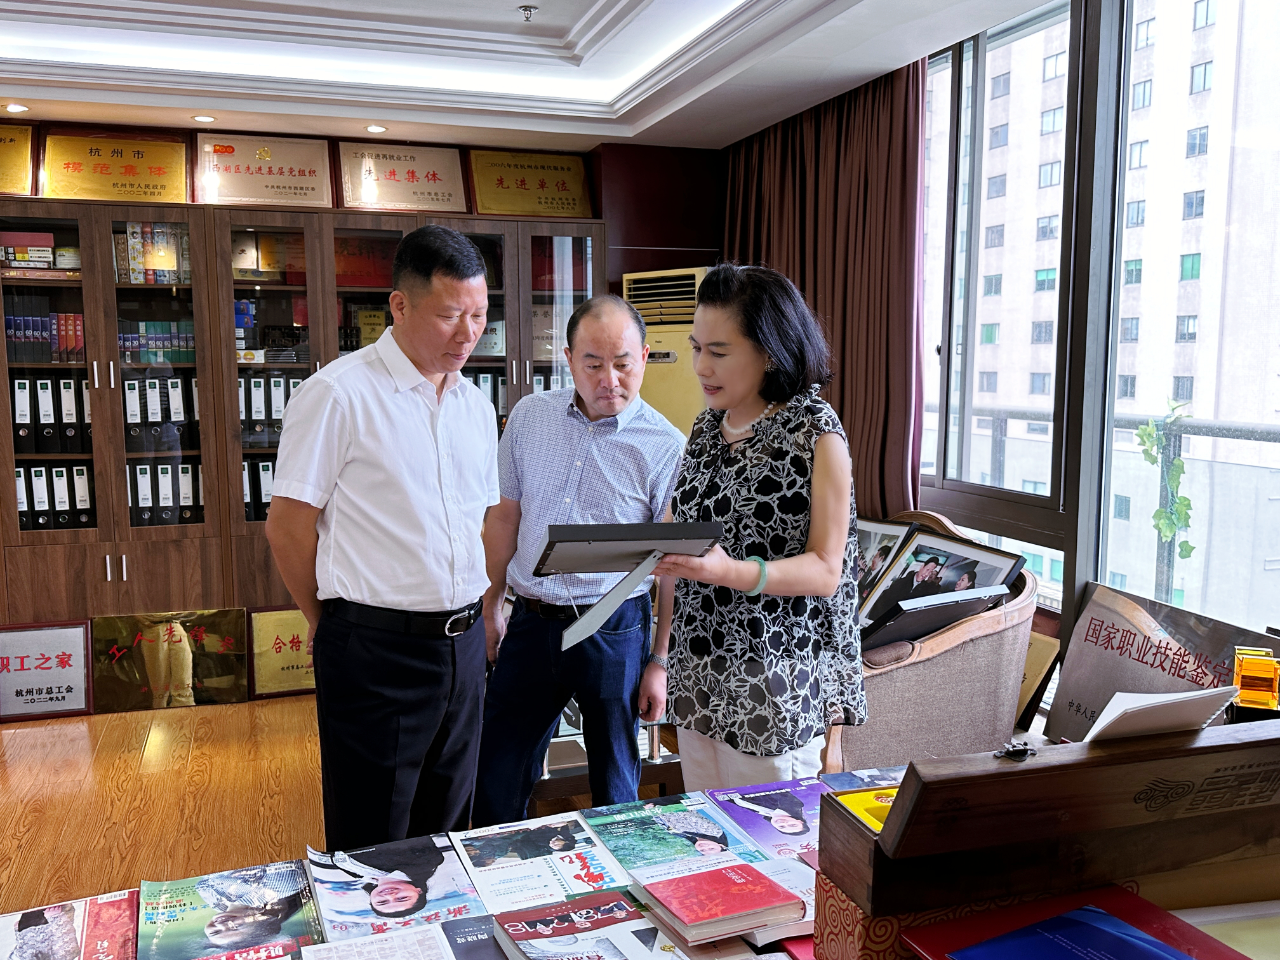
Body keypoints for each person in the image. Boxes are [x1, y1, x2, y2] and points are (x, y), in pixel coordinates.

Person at [266, 224, 497, 849]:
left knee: (447, 834)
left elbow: (476, 522)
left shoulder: (476, 406)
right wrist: (331, 622)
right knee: (372, 839)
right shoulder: (339, 394)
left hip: (463, 646)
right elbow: (287, 526)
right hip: (375, 650)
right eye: (449, 315)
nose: (468, 333)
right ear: (399, 305)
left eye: (479, 315)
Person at [473, 295, 685, 825]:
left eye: (623, 364)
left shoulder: (666, 446)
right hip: (531, 621)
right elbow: (504, 519)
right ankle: (502, 867)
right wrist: (490, 605)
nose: (609, 379)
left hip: (613, 627)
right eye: (593, 364)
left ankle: (616, 876)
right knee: (497, 770)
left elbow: (672, 568)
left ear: (644, 357)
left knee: (615, 782)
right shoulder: (530, 416)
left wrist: (659, 661)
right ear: (568, 359)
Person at [653, 263, 866, 792]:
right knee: (709, 828)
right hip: (700, 670)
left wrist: (730, 571)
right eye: (696, 348)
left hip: (772, 681)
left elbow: (826, 571)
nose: (701, 366)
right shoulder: (707, 427)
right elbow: (682, 521)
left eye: (719, 352)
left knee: (769, 830)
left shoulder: (815, 433)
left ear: (769, 352)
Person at [197, 863, 309, 951]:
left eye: (214, 932)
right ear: (261, 919)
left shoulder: (213, 902)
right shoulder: (282, 885)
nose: (222, 925)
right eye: (236, 927)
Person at [866, 555, 943, 621]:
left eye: (930, 572)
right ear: (922, 566)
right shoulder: (901, 582)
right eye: (927, 569)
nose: (927, 574)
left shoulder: (925, 590)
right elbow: (883, 602)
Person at [728, 790, 810, 836]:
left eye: (781, 827)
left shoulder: (764, 812)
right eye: (792, 825)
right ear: (800, 821)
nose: (783, 823)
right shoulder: (793, 804)